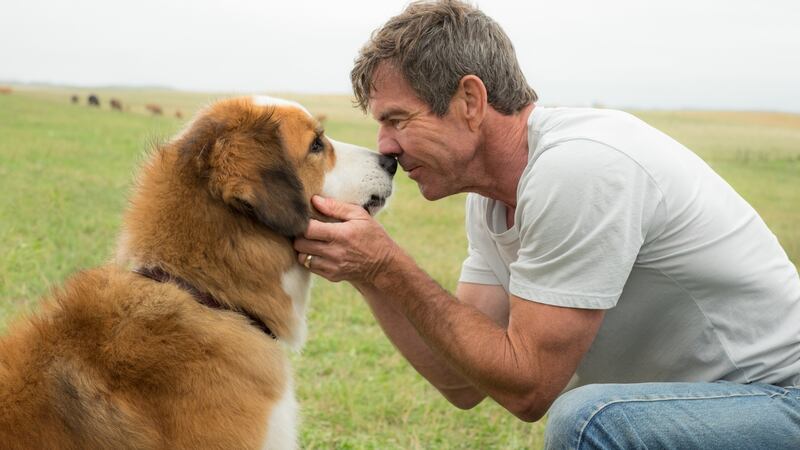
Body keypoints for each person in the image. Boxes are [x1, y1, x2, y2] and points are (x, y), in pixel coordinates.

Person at [294, 1, 800, 447]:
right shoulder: (492, 199)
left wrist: (386, 265)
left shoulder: (579, 167)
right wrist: (367, 273)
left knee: (592, 421)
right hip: (706, 409)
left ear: (470, 101)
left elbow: (529, 387)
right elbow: (464, 381)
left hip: (781, 399)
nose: (385, 146)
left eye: (398, 120)